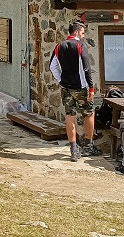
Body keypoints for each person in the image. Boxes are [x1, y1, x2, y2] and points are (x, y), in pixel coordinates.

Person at [49, 21, 101, 161]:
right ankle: (88, 146)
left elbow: (52, 66)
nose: (84, 36)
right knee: (89, 113)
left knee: (70, 116)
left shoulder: (60, 46)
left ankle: (73, 148)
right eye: (83, 33)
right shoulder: (80, 45)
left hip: (66, 87)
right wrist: (91, 88)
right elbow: (86, 68)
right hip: (81, 87)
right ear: (77, 32)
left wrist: (61, 80)